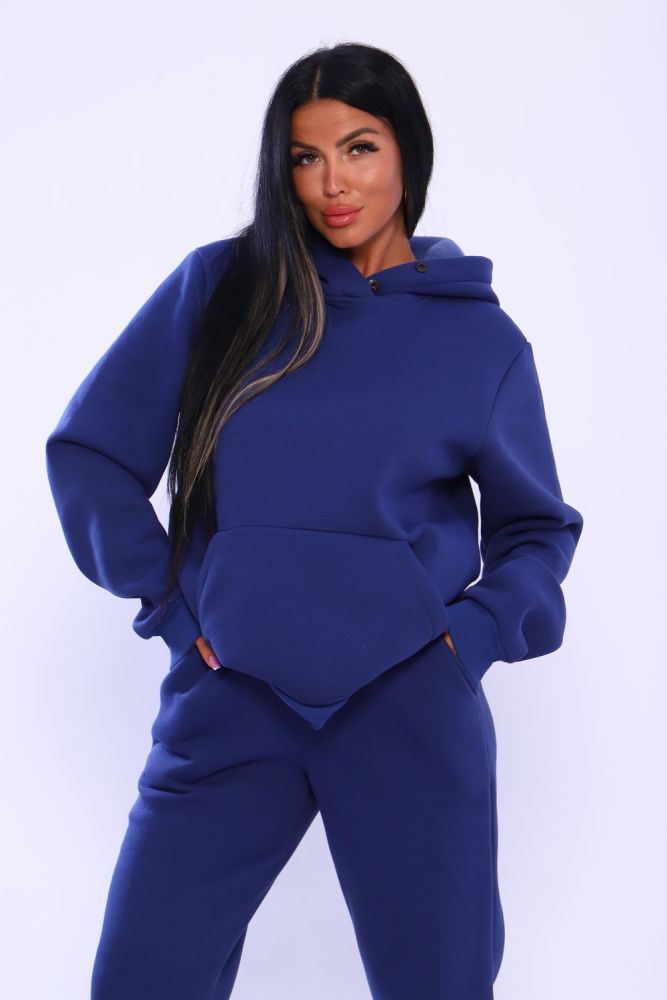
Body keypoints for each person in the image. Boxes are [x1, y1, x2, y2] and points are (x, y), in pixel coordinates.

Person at [45, 41, 584, 1000]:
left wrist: (469, 638)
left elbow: (535, 530)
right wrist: (171, 604)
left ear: (408, 150)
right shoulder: (224, 292)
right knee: (141, 978)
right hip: (229, 699)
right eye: (304, 157)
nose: (332, 183)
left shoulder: (480, 341)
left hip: (408, 708)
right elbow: (91, 452)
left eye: (358, 148)